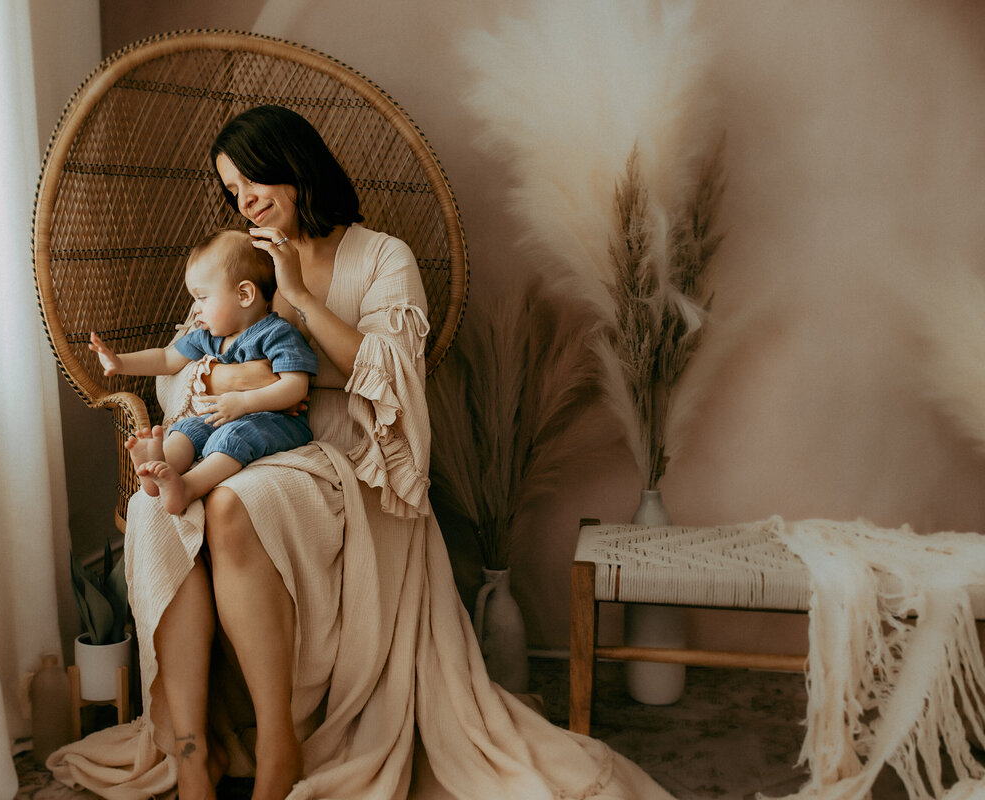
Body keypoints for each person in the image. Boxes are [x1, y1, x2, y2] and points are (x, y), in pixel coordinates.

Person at [48, 104, 670, 800]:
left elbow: (390, 378)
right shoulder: (239, 258)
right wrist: (244, 378)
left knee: (228, 505)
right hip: (250, 448)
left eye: (254, 178)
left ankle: (280, 746)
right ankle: (192, 751)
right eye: (232, 189)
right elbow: (186, 376)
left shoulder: (381, 257)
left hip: (348, 462)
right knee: (160, 510)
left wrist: (300, 299)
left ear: (295, 165)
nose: (245, 198)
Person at [87, 229, 318, 516]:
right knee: (189, 429)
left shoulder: (277, 334)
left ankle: (188, 487)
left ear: (244, 294)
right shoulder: (209, 335)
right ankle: (160, 470)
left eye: (203, 297)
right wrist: (120, 362)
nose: (196, 310)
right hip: (224, 416)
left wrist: (244, 403)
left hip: (276, 423)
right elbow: (166, 358)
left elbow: (296, 388)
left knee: (232, 435)